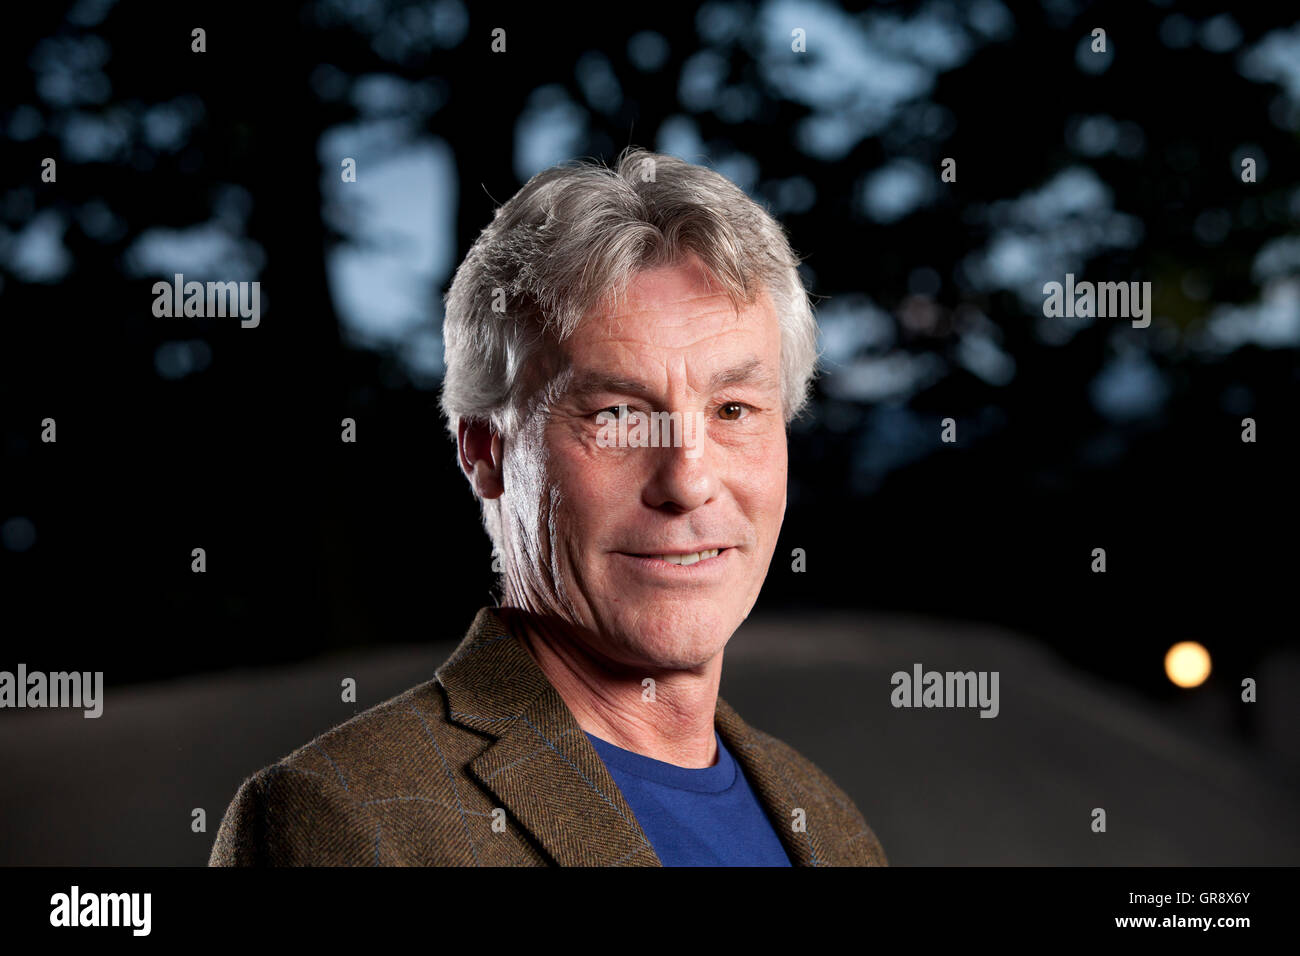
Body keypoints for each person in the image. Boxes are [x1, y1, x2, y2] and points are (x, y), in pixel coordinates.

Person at [209, 148, 887, 866]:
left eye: (732, 408)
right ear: (484, 451)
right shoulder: (341, 820)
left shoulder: (834, 828)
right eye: (620, 414)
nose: (688, 482)